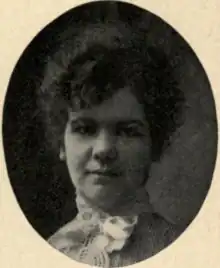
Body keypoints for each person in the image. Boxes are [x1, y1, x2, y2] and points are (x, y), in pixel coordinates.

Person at [38, 22, 185, 267]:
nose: (104, 150)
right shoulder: (44, 252)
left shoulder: (183, 249)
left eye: (127, 131)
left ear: (154, 144)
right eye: (85, 129)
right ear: (61, 143)